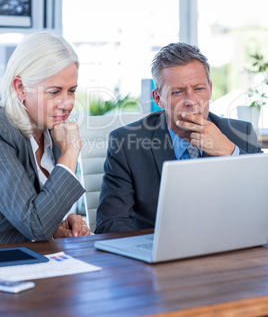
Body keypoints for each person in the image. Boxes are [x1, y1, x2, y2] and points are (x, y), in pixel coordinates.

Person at [95, 42, 262, 234]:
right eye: (178, 92)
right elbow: (109, 226)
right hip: (156, 255)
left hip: (228, 249)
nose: (191, 101)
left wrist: (231, 153)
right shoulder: (125, 143)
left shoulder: (241, 135)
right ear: (158, 99)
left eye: (199, 89)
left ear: (210, 89)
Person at [0, 32, 90, 244]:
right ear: (21, 88)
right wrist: (69, 154)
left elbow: (41, 221)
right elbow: (34, 225)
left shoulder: (52, 131)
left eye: (72, 91)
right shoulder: (3, 133)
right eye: (54, 92)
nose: (67, 103)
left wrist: (57, 228)